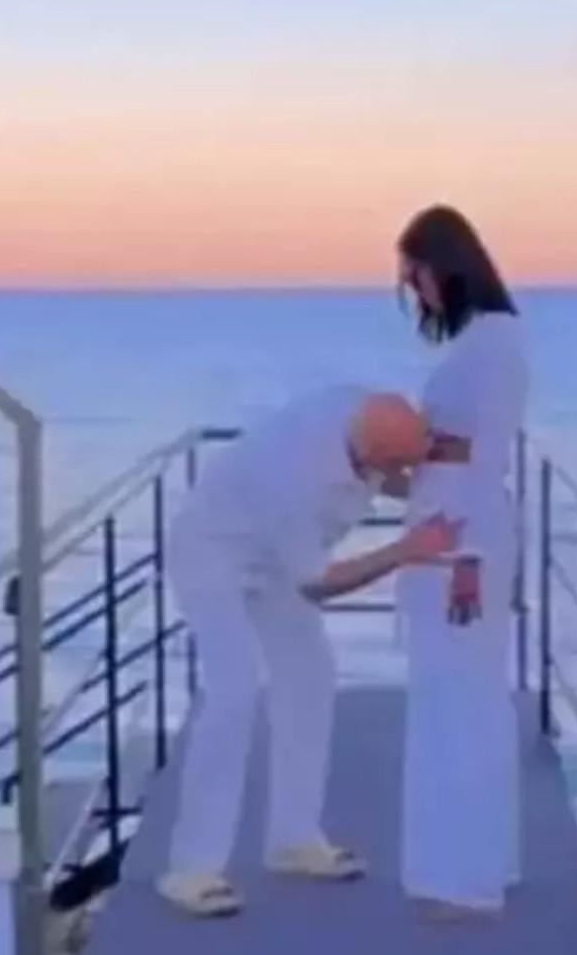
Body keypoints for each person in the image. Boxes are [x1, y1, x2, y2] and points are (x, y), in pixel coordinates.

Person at [157, 387, 460, 917]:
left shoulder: (359, 411)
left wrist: (448, 487)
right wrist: (407, 550)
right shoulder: (295, 478)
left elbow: (385, 473)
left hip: (273, 557)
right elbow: (318, 584)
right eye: (398, 466)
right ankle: (191, 869)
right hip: (212, 554)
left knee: (311, 677)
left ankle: (294, 839)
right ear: (372, 453)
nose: (402, 475)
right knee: (234, 691)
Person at [395, 205, 529, 918]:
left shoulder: (496, 342)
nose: (414, 291)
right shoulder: (478, 340)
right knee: (452, 697)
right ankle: (467, 860)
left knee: (463, 700)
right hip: (442, 529)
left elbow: (489, 452)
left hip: (460, 539)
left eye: (416, 274)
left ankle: (467, 872)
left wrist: (469, 556)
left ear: (444, 266)